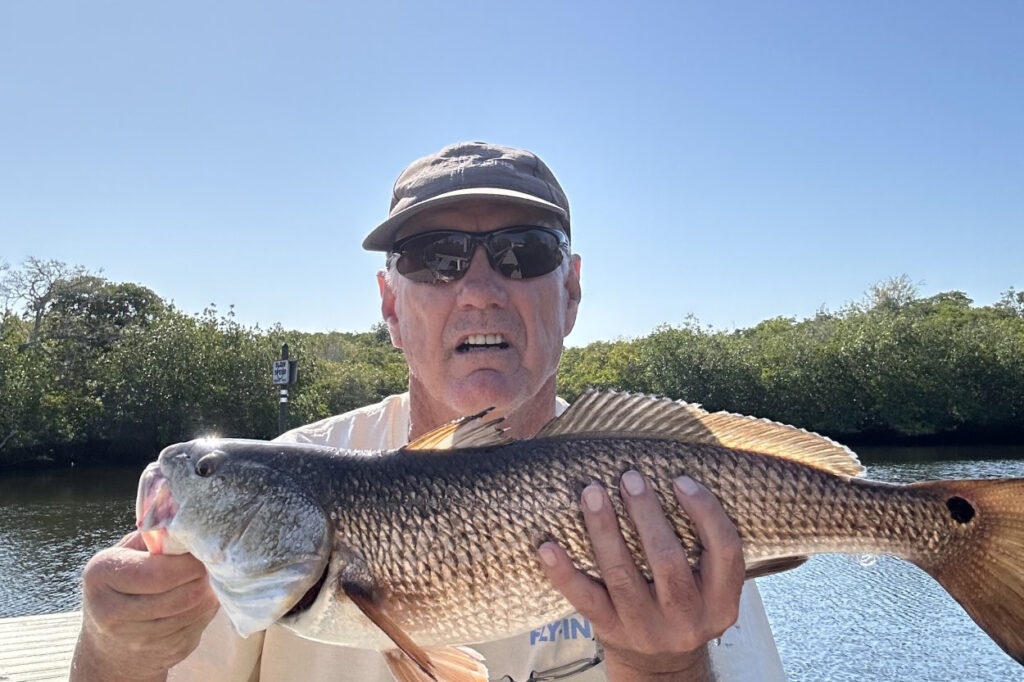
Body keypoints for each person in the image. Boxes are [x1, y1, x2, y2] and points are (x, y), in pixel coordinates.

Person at [72, 142, 786, 681]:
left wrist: (665, 669)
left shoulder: (678, 490)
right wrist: (112, 650)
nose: (478, 287)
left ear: (570, 293)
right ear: (390, 305)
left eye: (522, 252)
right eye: (434, 257)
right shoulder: (291, 470)